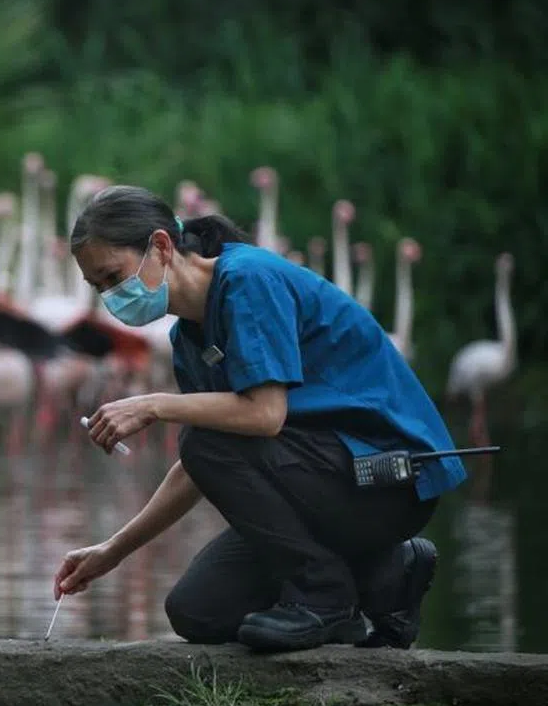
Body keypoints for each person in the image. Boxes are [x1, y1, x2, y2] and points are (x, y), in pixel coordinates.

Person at [53, 184, 465, 652]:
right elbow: (201, 466)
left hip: (387, 482)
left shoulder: (249, 281)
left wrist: (153, 404)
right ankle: (383, 578)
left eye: (113, 276)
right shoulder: (188, 340)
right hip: (324, 481)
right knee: (196, 612)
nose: (110, 296)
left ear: (162, 246)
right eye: (98, 287)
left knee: (202, 440)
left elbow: (265, 416)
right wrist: (113, 552)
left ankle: (323, 595)